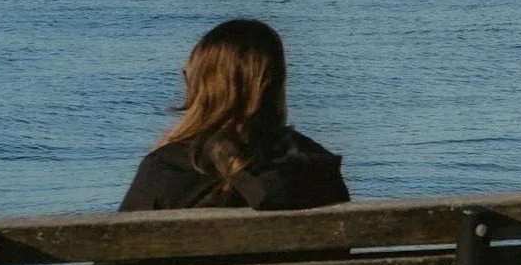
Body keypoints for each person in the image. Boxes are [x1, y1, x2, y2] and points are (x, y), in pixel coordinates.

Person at [119, 18, 349, 212]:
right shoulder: (317, 166)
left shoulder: (167, 168)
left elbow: (115, 256)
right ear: (276, 85)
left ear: (201, 88)